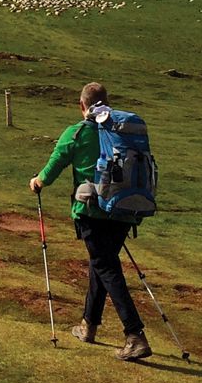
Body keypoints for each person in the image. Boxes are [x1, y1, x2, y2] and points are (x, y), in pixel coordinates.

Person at [30, 82, 151, 361]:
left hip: (92, 211)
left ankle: (135, 334)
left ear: (81, 105)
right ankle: (89, 325)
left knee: (106, 267)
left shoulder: (79, 131)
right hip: (123, 210)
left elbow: (54, 165)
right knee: (102, 264)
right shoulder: (119, 129)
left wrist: (38, 182)